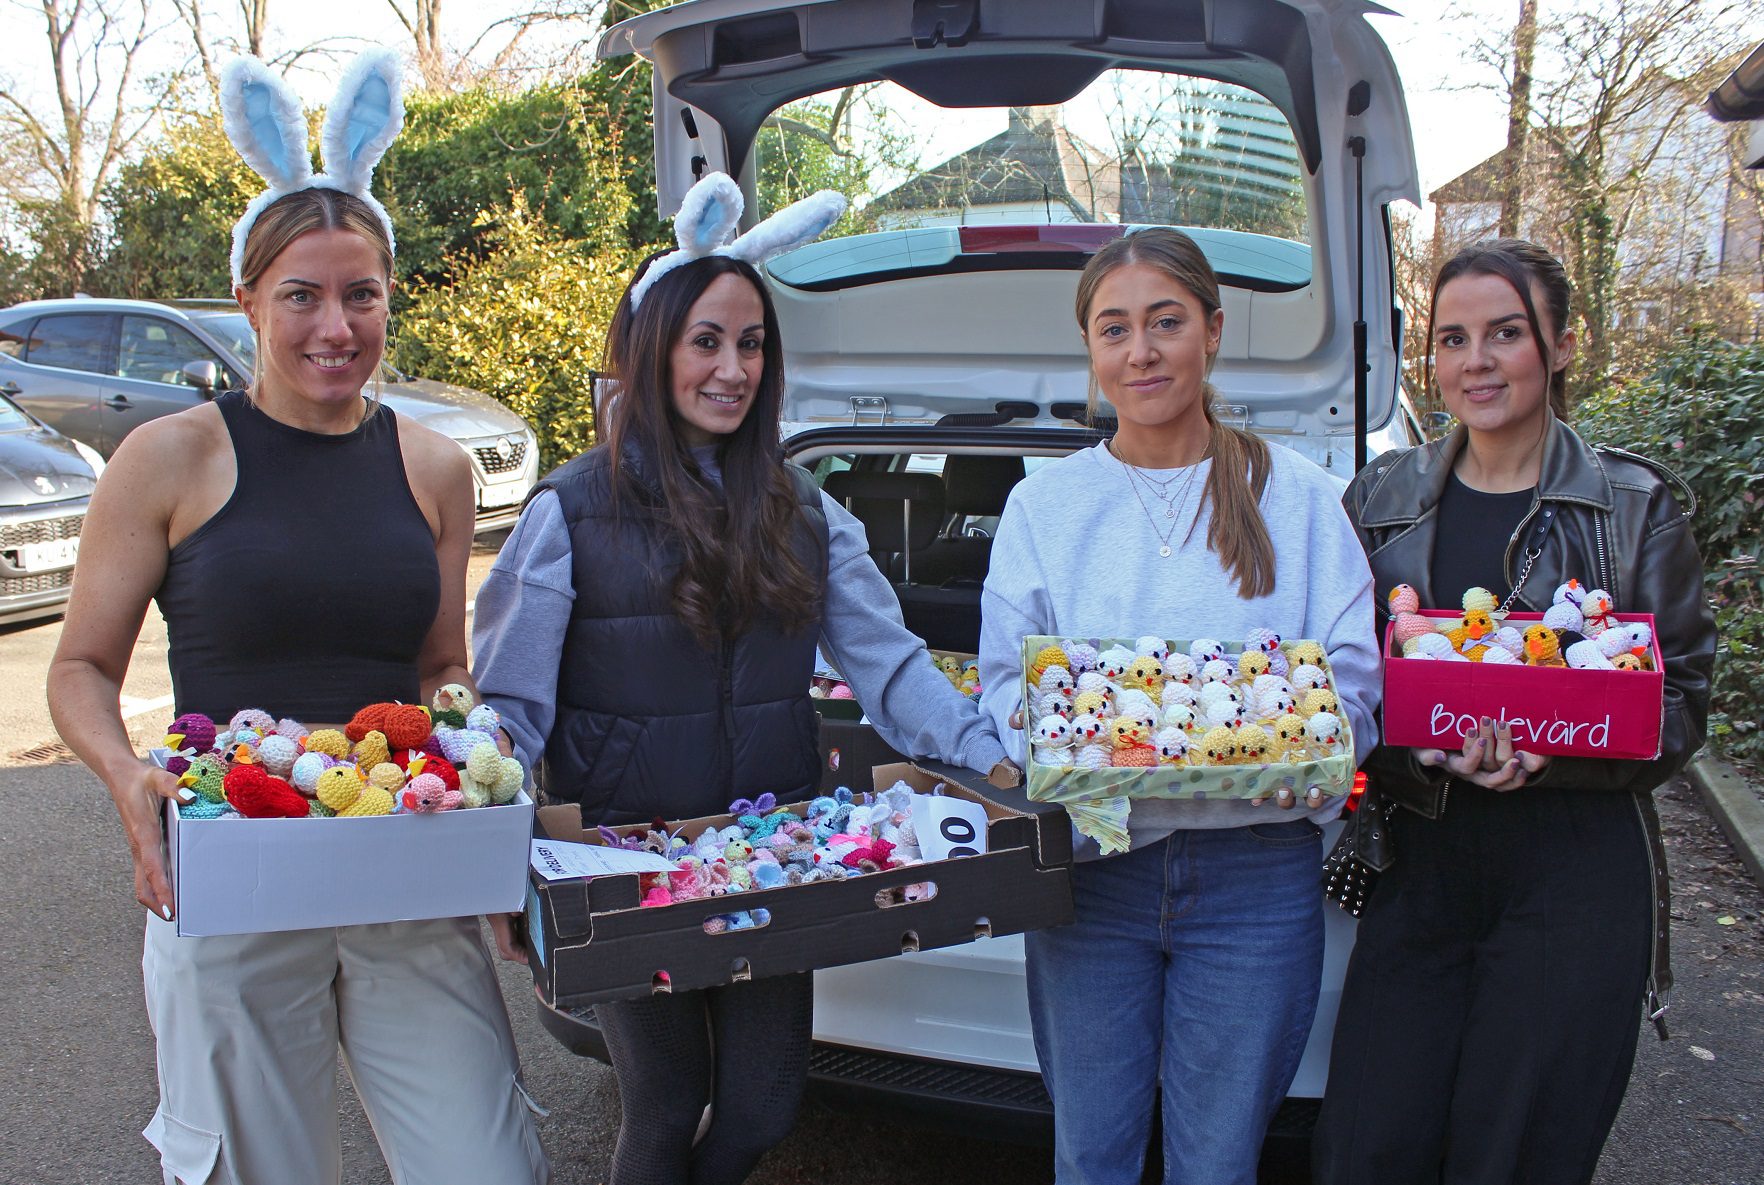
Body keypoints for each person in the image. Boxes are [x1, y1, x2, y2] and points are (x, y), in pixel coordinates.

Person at [45, 52, 548, 1185]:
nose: (337, 325)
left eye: (360, 293)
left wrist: (482, 773)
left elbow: (439, 671)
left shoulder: (433, 466)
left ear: (388, 297)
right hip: (231, 871)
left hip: (402, 866)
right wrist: (128, 779)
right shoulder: (170, 457)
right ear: (246, 301)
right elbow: (77, 666)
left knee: (488, 1164)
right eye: (302, 295)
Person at [471, 173, 1010, 1185]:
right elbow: (509, 713)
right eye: (706, 341)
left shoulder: (802, 507)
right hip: (629, 867)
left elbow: (889, 664)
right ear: (654, 348)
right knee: (665, 1106)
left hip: (771, 859)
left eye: (751, 342)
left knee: (765, 1104)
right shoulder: (570, 511)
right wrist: (499, 858)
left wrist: (990, 753)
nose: (732, 368)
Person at [975, 226, 1380, 1184]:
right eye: (1114, 328)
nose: (1141, 350)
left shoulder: (1301, 497)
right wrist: (1057, 744)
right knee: (1093, 1157)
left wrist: (1316, 758)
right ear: (1091, 350)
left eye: (1165, 322)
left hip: (1256, 875)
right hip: (1094, 876)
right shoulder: (1047, 506)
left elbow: (1356, 672)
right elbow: (1006, 681)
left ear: (1212, 330)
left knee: (1217, 1162)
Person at [1313, 238, 1718, 1185]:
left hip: (1572, 873)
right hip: (1418, 857)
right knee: (1371, 1141)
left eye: (1506, 333)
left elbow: (1683, 699)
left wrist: (1552, 752)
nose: (1476, 361)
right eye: (1454, 339)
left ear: (1562, 345)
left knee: (1519, 1149)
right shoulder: (1379, 498)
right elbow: (1340, 690)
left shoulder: (1633, 504)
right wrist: (1415, 761)